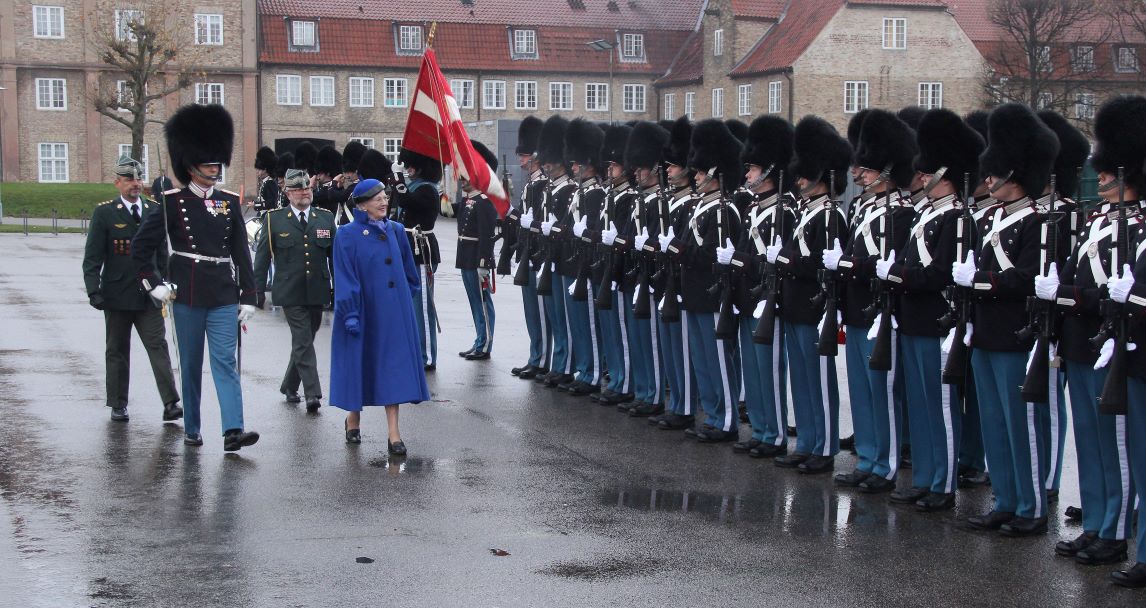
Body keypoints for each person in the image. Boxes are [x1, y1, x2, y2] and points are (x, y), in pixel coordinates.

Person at [953, 102, 1059, 536]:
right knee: (995, 422)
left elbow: (1025, 279)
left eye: (995, 173)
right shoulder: (991, 218)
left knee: (1022, 426)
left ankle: (1030, 507)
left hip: (1016, 334)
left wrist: (977, 282)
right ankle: (1007, 499)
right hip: (985, 332)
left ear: (1014, 175)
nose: (989, 180)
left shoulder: (1038, 222)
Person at [131, 103, 260, 452]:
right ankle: (192, 426)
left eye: (218, 162)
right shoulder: (171, 202)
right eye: (208, 163)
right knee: (190, 364)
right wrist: (153, 283)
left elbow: (240, 251)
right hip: (186, 292)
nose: (215, 168)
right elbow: (141, 247)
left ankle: (233, 428)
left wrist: (249, 296)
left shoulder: (229, 201)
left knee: (225, 361)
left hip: (221, 291)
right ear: (191, 165)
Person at [1053, 95, 1146, 577]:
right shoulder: (1096, 222)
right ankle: (1098, 520)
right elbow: (1073, 279)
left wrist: (1084, 298)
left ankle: (1114, 530)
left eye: (1110, 171)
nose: (1102, 177)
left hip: (1117, 346)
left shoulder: (1140, 227)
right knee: (1091, 443)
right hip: (1083, 343)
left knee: (1121, 447)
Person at [880, 108, 984, 509]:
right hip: (912, 320)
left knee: (940, 408)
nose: (920, 178)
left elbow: (943, 273)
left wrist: (901, 276)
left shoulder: (958, 218)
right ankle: (925, 476)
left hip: (937, 324)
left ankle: (943, 483)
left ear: (944, 174)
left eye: (927, 173)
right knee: (921, 406)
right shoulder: (927, 214)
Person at [827, 110, 915, 490]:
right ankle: (868, 457)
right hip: (857, 308)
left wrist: (850, 264)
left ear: (886, 168)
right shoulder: (863, 206)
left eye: (866, 168)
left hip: (881, 312)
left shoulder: (903, 211)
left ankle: (886, 463)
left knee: (882, 391)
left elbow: (887, 264)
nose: (858, 174)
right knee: (861, 390)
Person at [773, 116, 851, 473]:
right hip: (793, 304)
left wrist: (789, 259)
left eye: (805, 175)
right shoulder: (806, 212)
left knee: (820, 381)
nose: (799, 180)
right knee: (801, 380)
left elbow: (824, 265)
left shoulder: (832, 216)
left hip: (814, 307)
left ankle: (825, 444)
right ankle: (806, 440)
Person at [329, 179, 430, 455]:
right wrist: (349, 312)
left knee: (392, 371)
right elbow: (345, 277)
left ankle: (394, 434)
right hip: (361, 311)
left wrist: (406, 296)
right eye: (377, 199)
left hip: (393, 314)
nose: (384, 202)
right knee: (358, 365)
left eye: (385, 197)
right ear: (362, 204)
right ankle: (353, 418)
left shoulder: (397, 231)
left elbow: (411, 271)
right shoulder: (346, 235)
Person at [83, 154, 181, 423]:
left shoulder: (153, 210)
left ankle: (171, 402)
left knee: (158, 346)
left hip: (149, 296)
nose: (135, 183)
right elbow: (93, 257)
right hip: (117, 295)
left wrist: (165, 281)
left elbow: (162, 252)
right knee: (117, 350)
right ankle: (118, 403)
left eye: (138, 178)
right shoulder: (105, 213)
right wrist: (94, 289)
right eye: (129, 179)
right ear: (117, 182)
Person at [724, 116, 795, 458]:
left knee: (769, 369)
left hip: (769, 300)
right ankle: (762, 427)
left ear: (769, 172)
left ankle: (775, 433)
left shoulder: (785, 211)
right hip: (748, 296)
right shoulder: (753, 209)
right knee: (753, 369)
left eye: (753, 170)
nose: (748, 175)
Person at [668, 119, 743, 443]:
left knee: (718, 361)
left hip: (712, 294)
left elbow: (714, 254)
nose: (696, 177)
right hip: (694, 292)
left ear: (715, 174)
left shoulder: (725, 210)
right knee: (702, 359)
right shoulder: (703, 206)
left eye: (700, 173)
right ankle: (712, 414)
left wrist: (681, 250)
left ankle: (726, 420)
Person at [254, 168, 336, 412]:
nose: (304, 193)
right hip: (289, 290)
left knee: (305, 341)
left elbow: (335, 259)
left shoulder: (325, 218)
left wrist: (339, 290)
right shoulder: (274, 219)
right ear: (287, 193)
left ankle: (289, 385)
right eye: (298, 189)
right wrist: (256, 290)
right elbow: (262, 258)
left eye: (307, 188)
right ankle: (313, 393)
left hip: (318, 289)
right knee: (302, 339)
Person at [506, 116, 551, 380]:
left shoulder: (542, 183)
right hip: (527, 252)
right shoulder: (531, 183)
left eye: (524, 156)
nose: (521, 161)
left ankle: (542, 359)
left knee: (542, 314)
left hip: (539, 253)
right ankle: (535, 355)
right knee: (530, 311)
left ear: (534, 155)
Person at [393, 147, 444, 370]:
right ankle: (414, 351)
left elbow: (406, 202)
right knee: (408, 306)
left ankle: (427, 356)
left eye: (411, 165)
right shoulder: (414, 186)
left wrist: (397, 179)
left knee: (422, 306)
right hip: (407, 248)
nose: (408, 169)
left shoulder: (427, 190)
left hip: (421, 249)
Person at [456, 141, 499, 360]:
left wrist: (484, 262)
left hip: (477, 257)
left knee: (482, 303)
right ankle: (479, 340)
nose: (461, 180)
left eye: (465, 176)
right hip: (465, 257)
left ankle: (486, 344)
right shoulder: (469, 200)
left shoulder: (483, 201)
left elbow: (486, 236)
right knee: (474, 302)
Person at [253, 146, 279, 213]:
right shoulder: (266, 182)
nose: (257, 172)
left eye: (259, 169)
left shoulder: (270, 183)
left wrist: (256, 205)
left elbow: (272, 203)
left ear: (265, 169)